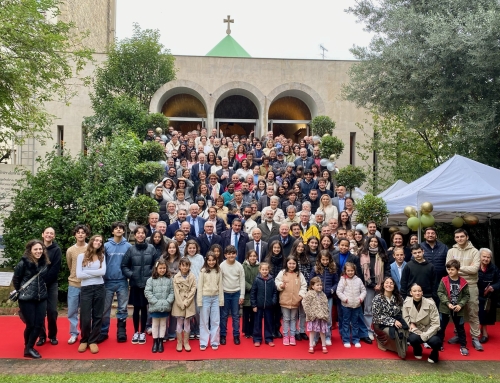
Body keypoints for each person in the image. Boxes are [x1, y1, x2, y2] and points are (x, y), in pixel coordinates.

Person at [445, 228, 482, 351]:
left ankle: (475, 338)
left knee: (473, 312)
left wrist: (458, 268)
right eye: (457, 237)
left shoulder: (475, 251)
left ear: (467, 237)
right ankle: (458, 335)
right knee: (457, 312)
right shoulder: (451, 251)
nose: (459, 239)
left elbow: (475, 269)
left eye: (462, 236)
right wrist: (464, 268)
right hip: (455, 284)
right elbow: (448, 269)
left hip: (470, 285)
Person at [13, 240, 51, 358]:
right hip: (27, 298)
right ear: (30, 250)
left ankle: (29, 347)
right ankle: (28, 347)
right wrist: (22, 291)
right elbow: (16, 279)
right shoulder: (23, 263)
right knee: (31, 324)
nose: (38, 251)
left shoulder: (44, 263)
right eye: (36, 249)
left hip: (41, 297)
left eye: (40, 249)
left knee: (39, 324)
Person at [121, 226, 156, 345]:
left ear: (145, 235)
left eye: (142, 233)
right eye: (138, 233)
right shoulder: (131, 249)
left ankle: (142, 332)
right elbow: (124, 266)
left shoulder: (151, 248)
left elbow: (156, 265)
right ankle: (136, 331)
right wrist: (132, 275)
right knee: (136, 309)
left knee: (145, 308)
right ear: (135, 235)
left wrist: (151, 276)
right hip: (135, 284)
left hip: (148, 284)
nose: (140, 235)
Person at [100, 222, 131, 343]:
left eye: (121, 228)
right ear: (112, 231)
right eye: (116, 228)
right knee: (105, 308)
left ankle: (121, 332)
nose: (118, 230)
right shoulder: (106, 246)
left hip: (122, 281)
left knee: (122, 308)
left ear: (123, 231)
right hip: (107, 281)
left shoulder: (128, 246)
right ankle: (103, 332)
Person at [76, 235, 106, 354]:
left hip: (99, 287)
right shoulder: (81, 256)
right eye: (96, 240)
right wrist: (95, 273)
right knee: (85, 316)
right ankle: (84, 339)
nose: (98, 242)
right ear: (92, 241)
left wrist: (86, 271)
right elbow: (79, 275)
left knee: (98, 315)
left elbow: (103, 272)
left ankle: (93, 341)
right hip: (86, 288)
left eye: (100, 241)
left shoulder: (102, 256)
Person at [359, 235, 391, 339]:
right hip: (368, 286)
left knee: (379, 309)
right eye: (371, 241)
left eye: (375, 242)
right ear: (368, 243)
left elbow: (387, 270)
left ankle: (378, 330)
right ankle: (369, 330)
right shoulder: (363, 255)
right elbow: (361, 273)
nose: (373, 243)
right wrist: (373, 285)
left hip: (381, 286)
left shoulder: (383, 255)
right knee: (368, 309)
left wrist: (382, 284)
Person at [437, 259, 470, 356]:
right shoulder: (444, 280)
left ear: (458, 270)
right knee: (441, 327)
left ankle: (463, 346)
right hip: (445, 308)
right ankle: (439, 343)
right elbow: (440, 292)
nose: (450, 271)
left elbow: (466, 295)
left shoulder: (463, 282)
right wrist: (447, 303)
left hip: (458, 309)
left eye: (452, 269)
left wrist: (460, 304)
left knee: (460, 327)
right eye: (448, 269)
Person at [403, 283, 441, 363]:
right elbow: (406, 319)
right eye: (415, 291)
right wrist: (411, 325)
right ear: (411, 293)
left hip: (429, 330)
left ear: (422, 292)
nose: (417, 293)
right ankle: (417, 348)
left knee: (436, 342)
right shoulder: (406, 304)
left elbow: (436, 323)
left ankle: (434, 353)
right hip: (415, 330)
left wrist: (425, 335)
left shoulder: (430, 303)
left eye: (419, 291)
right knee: (412, 339)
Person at [372, 277, 408, 359]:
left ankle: (402, 350)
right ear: (383, 285)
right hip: (381, 324)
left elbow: (403, 311)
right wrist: (393, 321)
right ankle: (381, 341)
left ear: (394, 285)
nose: (389, 285)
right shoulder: (377, 298)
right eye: (387, 283)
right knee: (394, 333)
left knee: (402, 330)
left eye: (391, 283)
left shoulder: (398, 297)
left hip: (397, 321)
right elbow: (377, 316)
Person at [36, 227, 61, 347]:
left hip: (52, 284)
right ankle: (41, 336)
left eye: (52, 233)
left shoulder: (56, 250)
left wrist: (45, 281)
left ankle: (52, 335)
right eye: (47, 233)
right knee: (40, 311)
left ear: (54, 236)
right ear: (43, 234)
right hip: (37, 284)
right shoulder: (37, 248)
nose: (49, 235)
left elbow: (55, 269)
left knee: (52, 311)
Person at [275, 255, 307, 346]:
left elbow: (304, 285)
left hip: (295, 301)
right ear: (287, 263)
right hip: (284, 301)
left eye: (293, 263)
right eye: (290, 263)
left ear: (296, 264)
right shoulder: (282, 272)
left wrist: (300, 296)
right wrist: (281, 285)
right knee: (286, 319)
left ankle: (292, 335)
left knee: (293, 319)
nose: (292, 265)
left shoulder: (299, 274)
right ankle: (285, 335)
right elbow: (276, 281)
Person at [144, 258, 174, 353]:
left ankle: (161, 341)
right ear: (156, 269)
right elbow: (148, 292)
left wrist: (168, 301)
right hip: (155, 306)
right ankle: (155, 341)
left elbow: (172, 292)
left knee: (163, 324)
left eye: (164, 268)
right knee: (155, 324)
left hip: (165, 306)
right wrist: (155, 302)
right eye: (160, 268)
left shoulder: (169, 280)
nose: (162, 270)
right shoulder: (151, 280)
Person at [65, 224, 89, 345]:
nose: (80, 234)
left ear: (86, 234)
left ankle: (86, 333)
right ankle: (74, 333)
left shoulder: (90, 248)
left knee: (86, 311)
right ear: (75, 234)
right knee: (72, 310)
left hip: (87, 284)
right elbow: (70, 265)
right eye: (78, 232)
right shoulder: (70, 250)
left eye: (83, 232)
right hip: (74, 284)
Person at [309, 250, 339, 346]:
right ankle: (316, 337)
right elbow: (311, 281)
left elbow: (336, 282)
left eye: (327, 259)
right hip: (317, 297)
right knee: (316, 317)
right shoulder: (315, 269)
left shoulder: (333, 269)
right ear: (319, 259)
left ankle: (327, 336)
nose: (325, 261)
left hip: (328, 297)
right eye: (323, 259)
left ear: (330, 259)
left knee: (327, 317)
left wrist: (332, 290)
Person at [197, 251, 224, 351]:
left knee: (215, 320)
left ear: (216, 260)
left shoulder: (218, 270)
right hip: (205, 298)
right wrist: (199, 301)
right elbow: (199, 286)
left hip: (216, 298)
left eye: (213, 260)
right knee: (204, 321)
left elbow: (220, 286)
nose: (211, 262)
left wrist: (221, 300)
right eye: (209, 260)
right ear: (206, 261)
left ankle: (214, 341)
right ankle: (203, 342)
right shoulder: (203, 271)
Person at [219, 245, 245, 346]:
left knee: (236, 316)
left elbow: (242, 281)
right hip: (225, 293)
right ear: (225, 255)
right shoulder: (222, 266)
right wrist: (220, 295)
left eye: (233, 253)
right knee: (224, 316)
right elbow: (220, 281)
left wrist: (241, 295)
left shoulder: (239, 266)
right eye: (229, 254)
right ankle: (223, 335)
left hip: (236, 293)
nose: (231, 255)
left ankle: (236, 335)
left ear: (236, 254)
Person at [336, 262, 366, 348]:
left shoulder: (358, 280)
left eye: (352, 270)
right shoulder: (343, 280)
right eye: (348, 270)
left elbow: (363, 291)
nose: (350, 272)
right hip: (346, 306)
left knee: (355, 323)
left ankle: (355, 339)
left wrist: (360, 298)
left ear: (354, 271)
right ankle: (346, 340)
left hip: (356, 305)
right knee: (345, 323)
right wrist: (345, 299)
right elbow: (339, 291)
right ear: (345, 271)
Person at [172, 257, 197, 352]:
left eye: (187, 265)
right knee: (179, 322)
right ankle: (179, 342)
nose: (185, 267)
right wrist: (180, 303)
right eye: (183, 265)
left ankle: (186, 342)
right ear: (179, 266)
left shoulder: (192, 276)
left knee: (187, 322)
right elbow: (176, 292)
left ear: (189, 266)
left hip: (188, 302)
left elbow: (193, 289)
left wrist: (186, 302)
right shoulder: (176, 277)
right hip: (179, 303)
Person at [250, 262, 278, 347]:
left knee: (268, 322)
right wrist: (254, 305)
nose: (265, 271)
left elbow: (274, 292)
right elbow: (253, 293)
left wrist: (273, 301)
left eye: (266, 269)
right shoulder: (257, 280)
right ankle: (257, 339)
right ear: (260, 270)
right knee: (257, 323)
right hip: (258, 305)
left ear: (269, 270)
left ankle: (268, 338)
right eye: (263, 269)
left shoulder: (271, 280)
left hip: (269, 306)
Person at [420, 227, 449, 305]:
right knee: (426, 304)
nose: (430, 235)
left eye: (432, 233)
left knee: (440, 303)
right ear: (424, 236)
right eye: (428, 233)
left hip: (441, 280)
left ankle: (440, 317)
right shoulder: (420, 247)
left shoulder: (444, 247)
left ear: (436, 236)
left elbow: (449, 263)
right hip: (425, 281)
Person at [477, 248, 500, 343]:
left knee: (484, 312)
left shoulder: (494, 268)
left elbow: (499, 281)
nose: (486, 259)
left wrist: (492, 287)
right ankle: (482, 330)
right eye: (484, 256)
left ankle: (484, 331)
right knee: (479, 312)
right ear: (479, 256)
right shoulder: (475, 266)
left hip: (488, 295)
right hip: (476, 293)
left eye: (488, 257)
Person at [302, 276, 330, 354]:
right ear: (313, 286)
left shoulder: (323, 295)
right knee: (312, 331)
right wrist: (310, 314)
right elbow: (305, 304)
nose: (320, 286)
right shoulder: (309, 294)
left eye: (320, 285)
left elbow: (326, 305)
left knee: (322, 332)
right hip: (313, 317)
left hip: (322, 317)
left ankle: (324, 345)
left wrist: (326, 314)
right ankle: (311, 345)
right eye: (317, 285)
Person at [243, 250, 260, 339]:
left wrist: (255, 288)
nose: (252, 258)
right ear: (248, 257)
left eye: (254, 256)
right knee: (246, 314)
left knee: (254, 314)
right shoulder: (243, 266)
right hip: (246, 293)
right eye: (251, 256)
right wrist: (250, 287)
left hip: (256, 294)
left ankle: (253, 330)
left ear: (256, 257)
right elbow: (242, 279)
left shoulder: (259, 267)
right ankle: (246, 331)